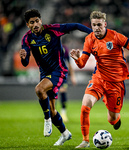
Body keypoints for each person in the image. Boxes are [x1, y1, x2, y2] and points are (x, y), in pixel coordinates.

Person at [70, 11, 129, 148]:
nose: (96, 28)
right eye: (94, 25)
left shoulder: (115, 37)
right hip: (99, 78)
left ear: (105, 24)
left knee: (112, 119)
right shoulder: (89, 39)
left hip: (115, 83)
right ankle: (85, 141)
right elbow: (82, 63)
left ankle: (116, 119)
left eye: (99, 25)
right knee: (85, 105)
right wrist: (77, 59)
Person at [19, 9, 92, 146]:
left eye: (37, 21)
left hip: (58, 71)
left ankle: (46, 121)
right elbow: (25, 63)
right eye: (31, 22)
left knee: (39, 89)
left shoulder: (53, 29)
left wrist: (92, 33)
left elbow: (76, 25)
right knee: (52, 110)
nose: (35, 24)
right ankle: (65, 134)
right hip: (44, 74)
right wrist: (23, 57)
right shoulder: (27, 39)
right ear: (27, 25)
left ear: (41, 20)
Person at [59, 44, 76, 123]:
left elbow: (69, 63)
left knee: (63, 91)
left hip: (62, 74)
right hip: (51, 73)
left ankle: (63, 113)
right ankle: (52, 113)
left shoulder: (64, 48)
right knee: (51, 94)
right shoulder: (49, 45)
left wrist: (72, 76)